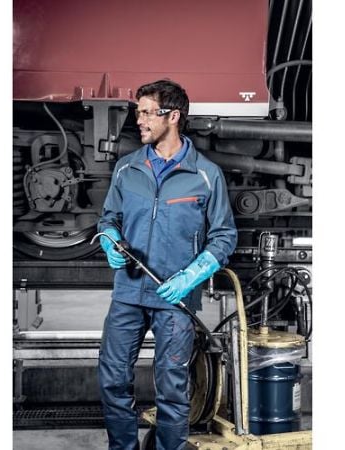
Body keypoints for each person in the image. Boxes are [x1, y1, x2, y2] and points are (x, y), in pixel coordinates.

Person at [97, 79, 237, 450]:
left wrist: (192, 275)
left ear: (172, 116)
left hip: (175, 300)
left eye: (147, 112)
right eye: (138, 112)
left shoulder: (205, 175)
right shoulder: (127, 169)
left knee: (173, 390)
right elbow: (109, 217)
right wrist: (109, 237)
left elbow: (224, 237)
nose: (139, 120)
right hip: (128, 293)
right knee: (112, 381)